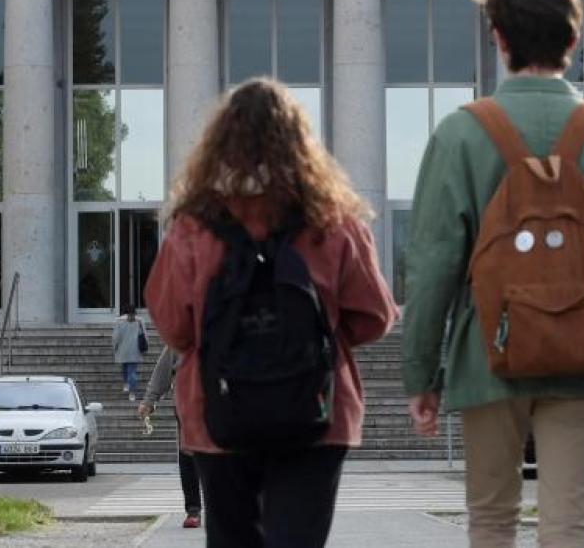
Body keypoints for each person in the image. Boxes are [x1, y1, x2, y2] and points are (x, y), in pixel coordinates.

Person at [401, 0, 584, 548]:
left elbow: (431, 267)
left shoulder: (459, 136)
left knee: (491, 522)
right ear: (574, 41)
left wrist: (421, 374)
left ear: (498, 38)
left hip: (486, 355)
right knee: (568, 527)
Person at [145, 78, 398, 548]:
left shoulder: (193, 226)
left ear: (219, 144)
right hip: (316, 409)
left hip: (217, 410)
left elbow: (174, 326)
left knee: (231, 537)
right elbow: (375, 315)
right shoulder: (333, 220)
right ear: (300, 143)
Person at [139, 345, 203, 529]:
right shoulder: (179, 341)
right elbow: (162, 372)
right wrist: (149, 400)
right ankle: (193, 510)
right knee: (188, 457)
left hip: (219, 407)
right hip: (187, 408)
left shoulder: (225, 330)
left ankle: (221, 510)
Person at [112, 309, 147, 401]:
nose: (132, 317)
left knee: (131, 372)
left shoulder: (120, 321)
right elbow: (144, 335)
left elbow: (115, 336)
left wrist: (114, 346)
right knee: (125, 369)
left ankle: (131, 391)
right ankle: (127, 385)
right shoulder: (137, 321)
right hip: (128, 351)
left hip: (130, 351)